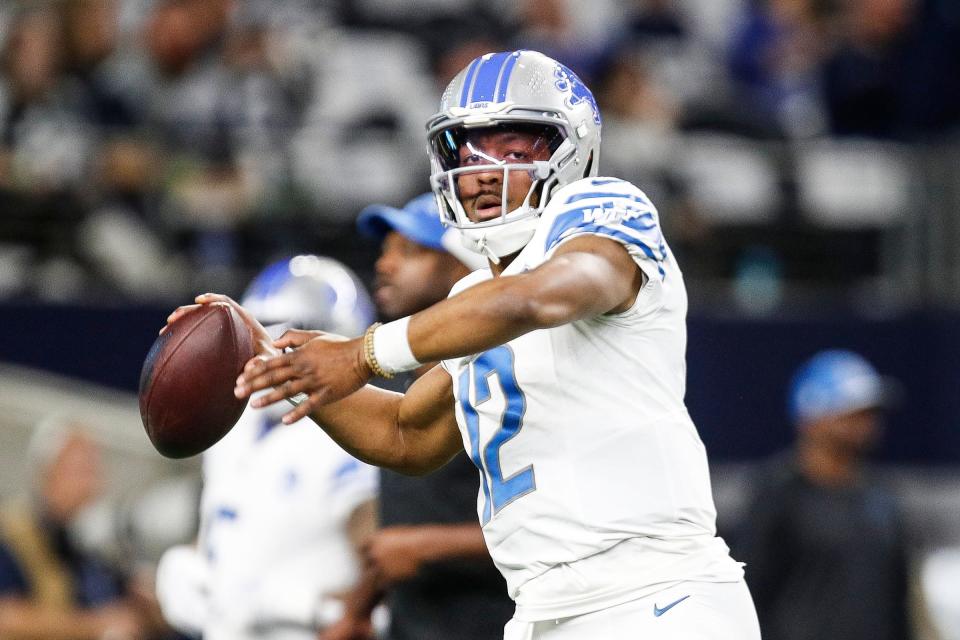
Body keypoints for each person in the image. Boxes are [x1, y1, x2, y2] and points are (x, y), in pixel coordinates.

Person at [169, 50, 760, 639]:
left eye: (514, 147)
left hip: (654, 598)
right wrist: (270, 356)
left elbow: (537, 299)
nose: (483, 169)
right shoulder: (479, 294)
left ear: (572, 147)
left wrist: (362, 352)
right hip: (544, 611)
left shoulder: (605, 212)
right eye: (468, 148)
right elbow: (407, 431)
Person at [154, 255, 380, 640]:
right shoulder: (238, 424)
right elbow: (237, 531)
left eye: (284, 338)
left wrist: (307, 606)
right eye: (256, 335)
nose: (264, 352)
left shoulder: (347, 433)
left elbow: (383, 569)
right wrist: (192, 569)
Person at [321, 194, 512, 640]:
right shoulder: (393, 384)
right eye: (385, 251)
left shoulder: (507, 375)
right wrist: (358, 610)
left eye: (409, 252)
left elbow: (565, 522)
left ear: (464, 269)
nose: (384, 265)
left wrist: (430, 548)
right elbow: (397, 534)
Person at [733, 349, 914, 640]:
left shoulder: (883, 498)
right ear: (812, 417)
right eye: (851, 413)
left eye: (869, 413)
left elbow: (897, 600)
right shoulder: (778, 493)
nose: (865, 423)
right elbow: (748, 591)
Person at [0, 418, 159, 639]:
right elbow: (6, 618)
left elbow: (130, 604)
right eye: (80, 470)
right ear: (47, 474)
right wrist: (96, 625)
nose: (90, 484)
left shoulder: (91, 545)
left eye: (94, 470)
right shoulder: (14, 532)